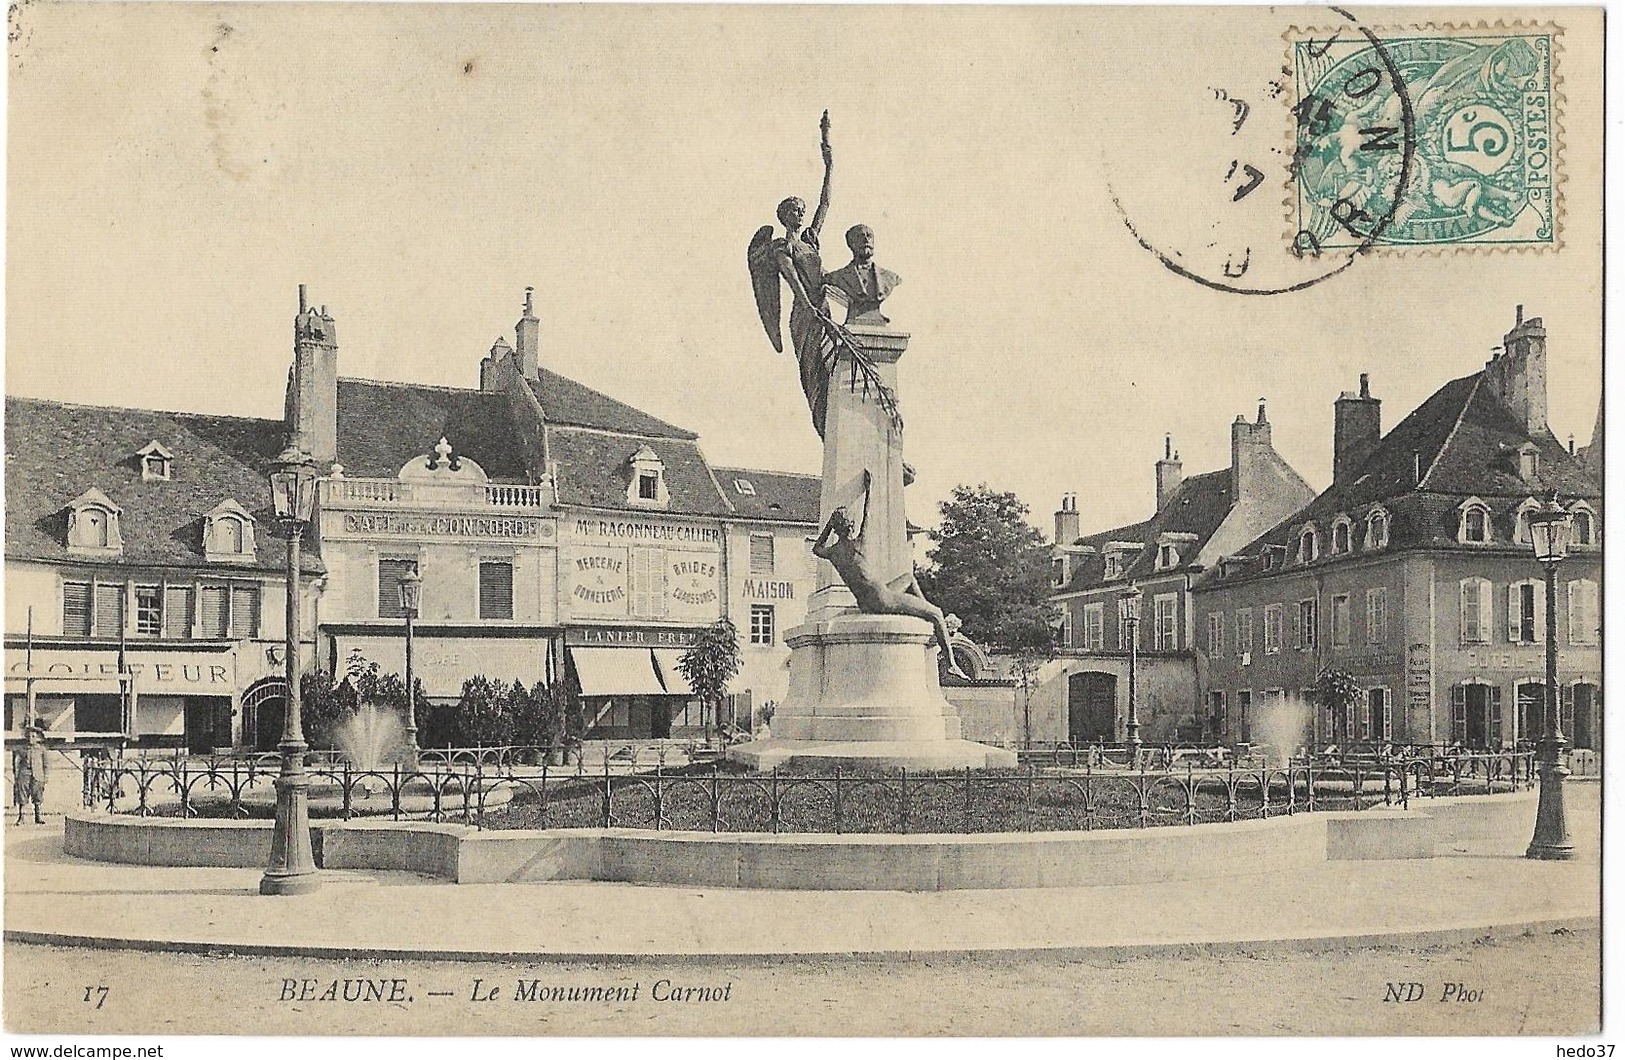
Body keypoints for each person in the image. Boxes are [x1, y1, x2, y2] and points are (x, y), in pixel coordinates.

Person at [812, 505, 970, 680]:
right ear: (851, 526)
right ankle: (951, 664)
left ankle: (924, 611)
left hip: (866, 602)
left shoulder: (833, 552)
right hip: (884, 599)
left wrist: (829, 525)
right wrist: (870, 488)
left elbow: (816, 548)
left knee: (908, 578)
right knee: (937, 613)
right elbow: (868, 515)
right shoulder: (858, 543)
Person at [12, 723, 47, 825]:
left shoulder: (41, 749)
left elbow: (46, 764)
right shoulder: (22, 749)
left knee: (38, 795)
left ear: (37, 737)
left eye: (33, 736)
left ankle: (38, 817)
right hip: (24, 773)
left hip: (38, 774)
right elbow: (16, 763)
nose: (31, 738)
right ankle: (21, 817)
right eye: (29, 736)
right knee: (22, 794)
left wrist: (45, 776)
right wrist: (17, 775)